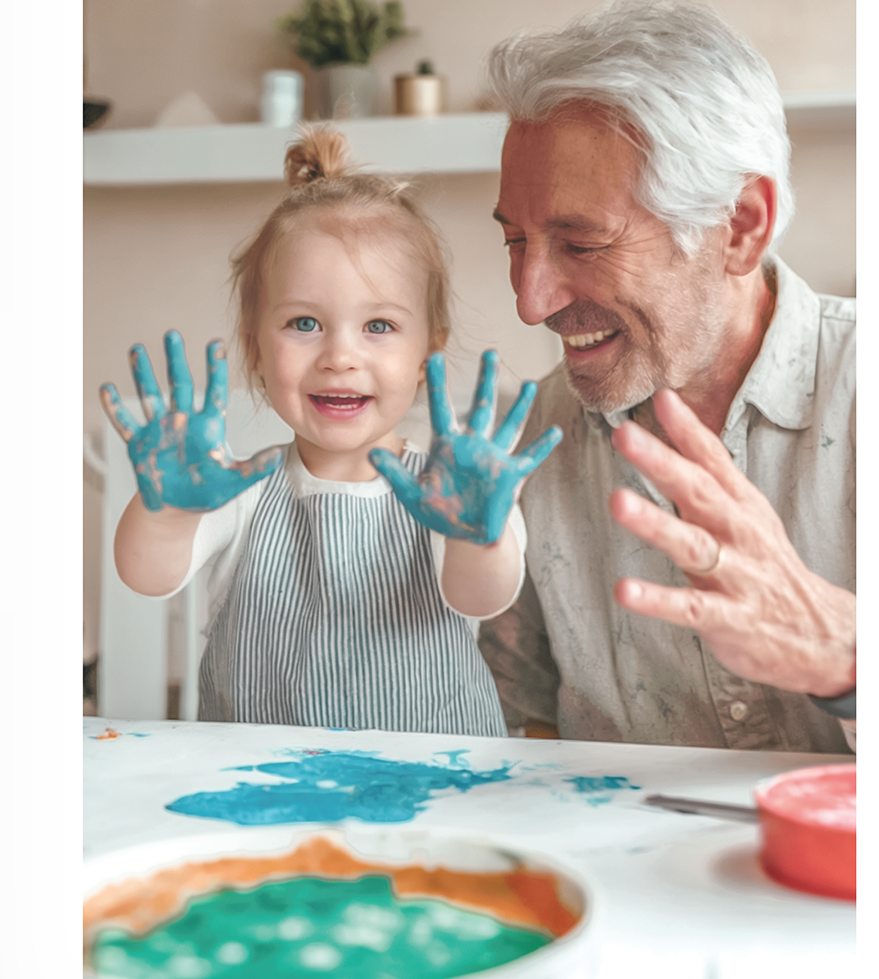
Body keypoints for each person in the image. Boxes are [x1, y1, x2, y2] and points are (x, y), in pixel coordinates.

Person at [477, 0, 858, 753]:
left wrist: (848, 657)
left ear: (740, 226)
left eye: (580, 245)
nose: (530, 301)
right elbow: (521, 728)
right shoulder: (527, 441)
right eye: (516, 241)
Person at [102, 125, 560, 736]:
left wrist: (481, 537)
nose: (340, 356)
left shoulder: (453, 493)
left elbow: (482, 598)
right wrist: (167, 515)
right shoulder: (239, 493)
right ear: (254, 348)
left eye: (378, 327)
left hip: (433, 787)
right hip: (259, 786)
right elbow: (145, 574)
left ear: (430, 350)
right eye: (304, 323)